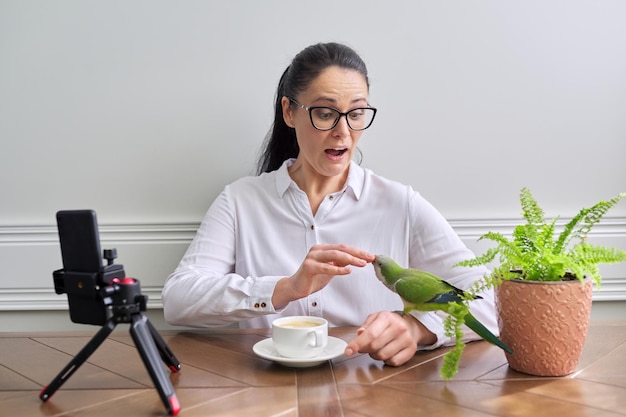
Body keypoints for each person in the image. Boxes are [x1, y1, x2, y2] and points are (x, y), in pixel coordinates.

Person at [162, 42, 496, 366]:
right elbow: (179, 300)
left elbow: (493, 303)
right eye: (325, 113)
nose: (343, 131)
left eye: (356, 113)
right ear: (289, 112)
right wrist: (285, 288)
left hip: (375, 389)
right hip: (264, 389)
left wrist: (419, 328)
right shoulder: (240, 201)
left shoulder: (401, 204)